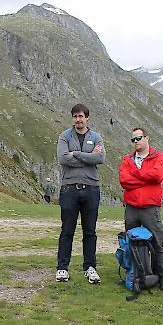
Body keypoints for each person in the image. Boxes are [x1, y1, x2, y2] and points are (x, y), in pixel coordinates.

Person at [56, 103, 105, 284]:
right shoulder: (65, 136)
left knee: (90, 231)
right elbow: (62, 158)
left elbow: (100, 158)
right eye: (75, 116)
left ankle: (90, 267)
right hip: (69, 189)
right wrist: (87, 156)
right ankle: (62, 268)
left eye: (81, 116)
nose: (78, 119)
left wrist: (75, 154)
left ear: (87, 118)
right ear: (73, 118)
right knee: (67, 230)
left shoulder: (96, 137)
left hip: (91, 189)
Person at [119, 128, 163, 291]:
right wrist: (145, 179)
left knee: (157, 242)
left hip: (150, 207)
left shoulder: (158, 157)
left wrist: (136, 175)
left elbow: (157, 176)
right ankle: (136, 274)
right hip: (132, 208)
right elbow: (124, 181)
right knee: (132, 243)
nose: (136, 142)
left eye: (138, 138)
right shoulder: (127, 160)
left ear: (147, 138)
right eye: (133, 140)